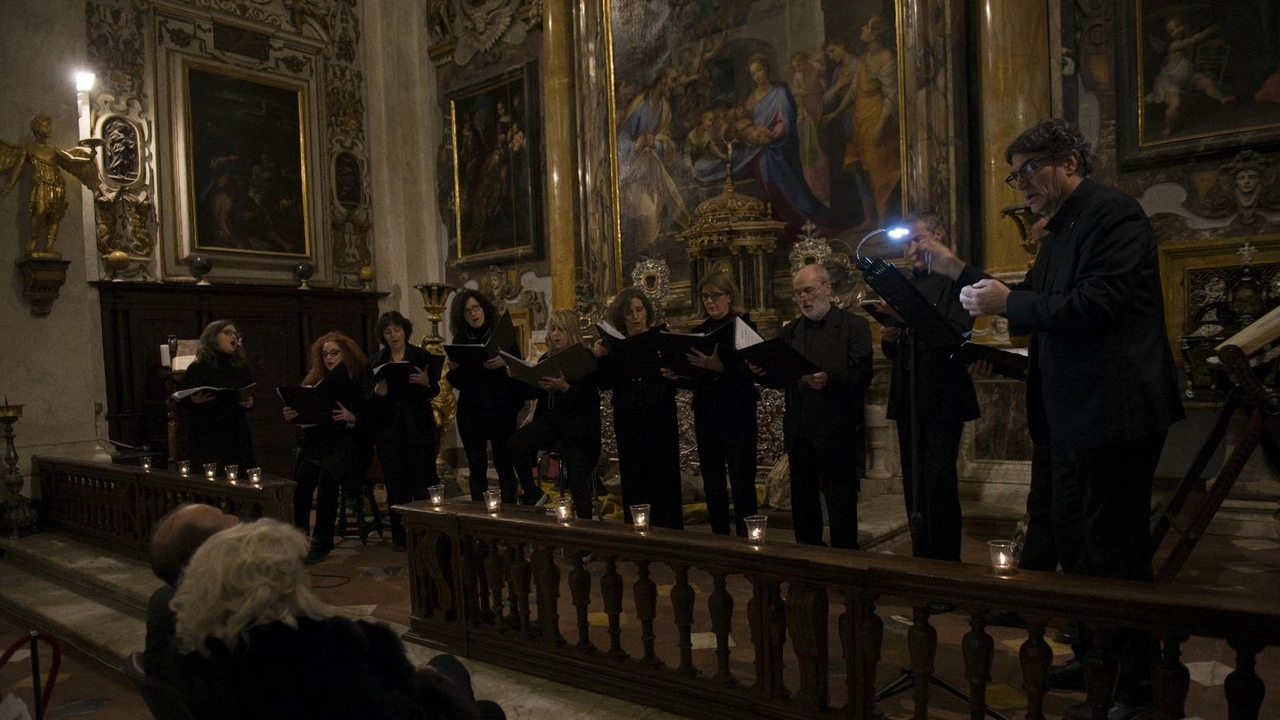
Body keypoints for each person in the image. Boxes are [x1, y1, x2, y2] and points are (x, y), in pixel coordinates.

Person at [922, 118, 1184, 720]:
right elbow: (1032, 300)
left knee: (1116, 554)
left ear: (1068, 161)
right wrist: (958, 274)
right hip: (1071, 414)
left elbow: (1099, 302)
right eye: (1013, 176)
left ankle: (1138, 690)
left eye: (1027, 172)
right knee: (1078, 545)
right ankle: (1098, 658)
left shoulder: (1112, 214)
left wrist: (1009, 304)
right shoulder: (1061, 226)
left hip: (1115, 412)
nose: (1021, 186)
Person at [168, 518, 506, 720]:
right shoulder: (319, 649)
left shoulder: (196, 648)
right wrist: (424, 686)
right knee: (478, 701)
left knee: (447, 667)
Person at [873, 213, 978, 562]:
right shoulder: (904, 285)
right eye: (907, 242)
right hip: (910, 396)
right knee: (913, 488)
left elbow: (954, 334)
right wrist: (890, 334)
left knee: (938, 486)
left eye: (918, 239)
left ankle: (946, 568)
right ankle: (921, 562)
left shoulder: (954, 281)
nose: (911, 248)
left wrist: (906, 320)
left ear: (938, 236)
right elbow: (898, 348)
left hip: (942, 395)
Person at [752, 264, 873, 548]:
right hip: (800, 430)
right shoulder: (791, 331)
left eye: (808, 290)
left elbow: (862, 375)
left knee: (840, 501)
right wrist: (762, 371)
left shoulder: (855, 326)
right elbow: (783, 375)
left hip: (837, 429)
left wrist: (829, 380)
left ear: (827, 289)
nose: (803, 298)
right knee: (804, 504)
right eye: (798, 294)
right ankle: (808, 559)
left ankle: (845, 563)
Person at [667, 274, 760, 536]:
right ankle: (719, 535)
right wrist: (680, 375)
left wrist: (720, 367)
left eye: (715, 295)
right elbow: (698, 377)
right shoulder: (701, 331)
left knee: (742, 477)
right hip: (708, 412)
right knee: (713, 479)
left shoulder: (745, 327)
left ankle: (747, 537)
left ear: (729, 296)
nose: (710, 301)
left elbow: (756, 371)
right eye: (705, 296)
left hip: (738, 410)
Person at [592, 288, 683, 529]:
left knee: (663, 469)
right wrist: (601, 358)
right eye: (629, 312)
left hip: (659, 410)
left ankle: (668, 528)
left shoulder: (661, 338)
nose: (635, 316)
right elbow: (605, 384)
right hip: (628, 413)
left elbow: (676, 373)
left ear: (646, 311)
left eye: (639, 310)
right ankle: (638, 528)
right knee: (634, 471)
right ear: (621, 316)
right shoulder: (615, 346)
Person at [282, 331, 373, 564]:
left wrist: (352, 417)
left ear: (346, 353)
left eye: (334, 353)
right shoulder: (315, 380)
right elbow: (307, 415)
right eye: (325, 354)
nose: (329, 358)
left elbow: (374, 417)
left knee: (327, 479)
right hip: (318, 442)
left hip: (349, 443)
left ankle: (321, 543)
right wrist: (293, 415)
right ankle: (299, 540)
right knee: (301, 482)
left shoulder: (360, 377)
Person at [507, 309, 602, 519]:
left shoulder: (584, 356)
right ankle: (533, 493)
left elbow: (589, 396)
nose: (556, 334)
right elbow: (533, 391)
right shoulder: (546, 358)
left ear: (572, 332)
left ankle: (585, 531)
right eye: (553, 329)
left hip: (580, 427)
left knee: (576, 477)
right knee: (516, 442)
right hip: (552, 423)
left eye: (561, 329)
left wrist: (565, 387)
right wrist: (519, 376)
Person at [447, 290, 529, 504]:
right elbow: (457, 381)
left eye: (476, 307)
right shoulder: (460, 339)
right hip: (472, 409)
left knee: (504, 463)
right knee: (476, 465)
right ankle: (479, 520)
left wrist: (505, 361)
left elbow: (519, 366)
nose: (473, 313)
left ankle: (510, 514)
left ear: (483, 308)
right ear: (461, 316)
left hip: (501, 406)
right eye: (467, 311)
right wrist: (454, 370)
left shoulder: (501, 332)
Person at [142, 503, 239, 683]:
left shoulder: (163, 598)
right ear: (212, 554)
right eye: (224, 521)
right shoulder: (232, 617)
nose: (235, 518)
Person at [369, 311, 441, 550]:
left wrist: (426, 383)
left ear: (405, 331)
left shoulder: (420, 356)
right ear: (383, 335)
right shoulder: (376, 361)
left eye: (397, 330)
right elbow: (368, 398)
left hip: (418, 430)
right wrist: (378, 395)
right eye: (388, 332)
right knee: (396, 485)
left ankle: (425, 534)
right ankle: (401, 538)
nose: (393, 335)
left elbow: (434, 391)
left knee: (422, 482)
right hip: (389, 432)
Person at [179, 320, 256, 472]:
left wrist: (250, 402)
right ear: (212, 337)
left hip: (236, 434)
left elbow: (249, 393)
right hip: (208, 434)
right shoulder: (198, 367)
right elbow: (182, 401)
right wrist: (193, 401)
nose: (233, 336)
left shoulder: (241, 367)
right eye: (227, 332)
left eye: (235, 333)